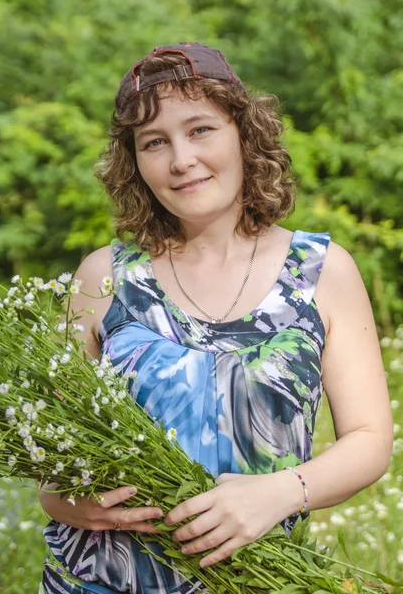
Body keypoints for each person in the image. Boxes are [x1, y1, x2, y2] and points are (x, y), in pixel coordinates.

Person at [38, 42, 393, 594]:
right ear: (135, 162)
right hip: (96, 581)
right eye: (155, 142)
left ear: (244, 134)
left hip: (254, 580)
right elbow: (54, 470)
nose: (181, 159)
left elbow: (370, 440)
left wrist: (281, 492)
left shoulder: (322, 271)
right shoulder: (101, 277)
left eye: (200, 129)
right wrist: (69, 501)